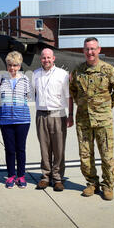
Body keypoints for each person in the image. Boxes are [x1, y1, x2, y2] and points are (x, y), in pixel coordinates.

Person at [69, 37, 114, 200]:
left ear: (99, 50)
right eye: (87, 49)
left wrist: (106, 107)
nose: (90, 52)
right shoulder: (78, 71)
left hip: (103, 121)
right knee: (85, 156)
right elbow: (73, 90)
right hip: (83, 120)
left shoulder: (108, 70)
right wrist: (81, 105)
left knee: (107, 155)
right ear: (83, 51)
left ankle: (108, 186)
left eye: (93, 48)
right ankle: (91, 183)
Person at [32, 48, 72, 192]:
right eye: (43, 58)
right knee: (44, 148)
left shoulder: (62, 74)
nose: (46, 60)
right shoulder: (35, 74)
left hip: (58, 113)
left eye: (49, 58)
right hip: (41, 114)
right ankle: (45, 177)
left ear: (53, 58)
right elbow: (31, 94)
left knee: (59, 148)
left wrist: (71, 115)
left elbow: (69, 96)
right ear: (40, 59)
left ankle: (58, 178)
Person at [0, 51, 31, 189]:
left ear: (20, 65)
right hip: (6, 119)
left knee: (21, 149)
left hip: (22, 120)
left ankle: (21, 176)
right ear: (6, 65)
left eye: (15, 65)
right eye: (10, 65)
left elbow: (32, 96)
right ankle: (11, 175)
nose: (12, 68)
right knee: (9, 149)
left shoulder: (26, 80)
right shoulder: (1, 79)